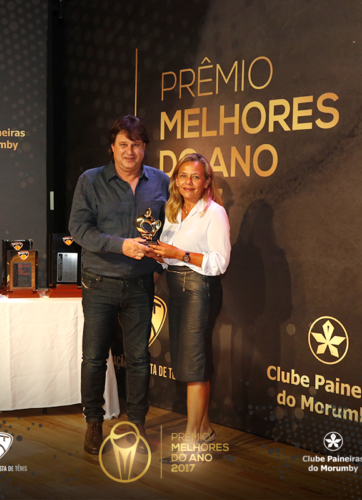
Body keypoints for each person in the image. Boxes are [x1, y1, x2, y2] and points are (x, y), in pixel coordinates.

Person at [68, 115, 169, 455]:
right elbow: (80, 230)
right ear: (112, 147)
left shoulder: (162, 182)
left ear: (145, 148)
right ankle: (94, 424)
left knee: (139, 359)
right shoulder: (90, 180)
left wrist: (159, 265)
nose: (129, 151)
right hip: (99, 282)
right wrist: (121, 245)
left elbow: (171, 230)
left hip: (141, 285)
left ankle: (137, 425)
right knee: (94, 359)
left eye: (135, 145)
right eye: (123, 144)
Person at [148, 152, 231, 454]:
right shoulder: (171, 211)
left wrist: (178, 253)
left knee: (195, 365)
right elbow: (167, 258)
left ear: (207, 182)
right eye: (183, 175)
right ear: (175, 180)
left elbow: (220, 262)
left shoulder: (215, 213)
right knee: (187, 362)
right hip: (176, 289)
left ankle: (191, 439)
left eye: (196, 176)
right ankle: (204, 430)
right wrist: (157, 257)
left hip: (199, 290)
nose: (188, 182)